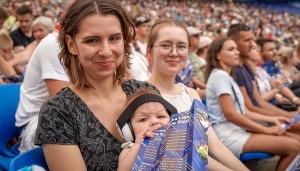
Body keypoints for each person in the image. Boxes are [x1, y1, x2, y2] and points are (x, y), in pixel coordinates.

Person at [34, 0, 159, 170]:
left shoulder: (145, 92)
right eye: (92, 40)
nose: (106, 51)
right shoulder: (58, 112)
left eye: (114, 38)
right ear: (71, 45)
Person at [146, 20, 249, 171]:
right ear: (149, 52)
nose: (174, 53)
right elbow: (180, 155)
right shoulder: (141, 93)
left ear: (188, 52)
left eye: (181, 46)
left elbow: (215, 147)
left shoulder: (191, 94)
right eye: (165, 45)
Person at [205, 37, 300, 171]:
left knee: (296, 140)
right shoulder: (220, 76)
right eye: (231, 49)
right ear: (217, 55)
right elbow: (231, 114)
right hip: (227, 135)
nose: (237, 52)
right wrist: (266, 129)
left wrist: (273, 119)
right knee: (294, 146)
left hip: (236, 130)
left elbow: (245, 111)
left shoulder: (227, 77)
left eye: (236, 49)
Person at [15, 0, 89, 152]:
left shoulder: (81, 42)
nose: (88, 14)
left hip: (61, 116)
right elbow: (63, 100)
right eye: (80, 9)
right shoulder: (53, 44)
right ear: (64, 14)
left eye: (90, 8)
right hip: (37, 122)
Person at [227, 23, 297, 118]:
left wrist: (290, 110)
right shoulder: (235, 70)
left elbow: (259, 101)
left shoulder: (247, 68)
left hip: (266, 113)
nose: (252, 44)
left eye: (253, 39)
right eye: (247, 40)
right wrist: (287, 116)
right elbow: (250, 107)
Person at [117, 88, 177, 171]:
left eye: (160, 116)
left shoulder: (177, 141)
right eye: (144, 119)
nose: (154, 122)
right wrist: (138, 145)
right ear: (128, 129)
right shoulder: (130, 149)